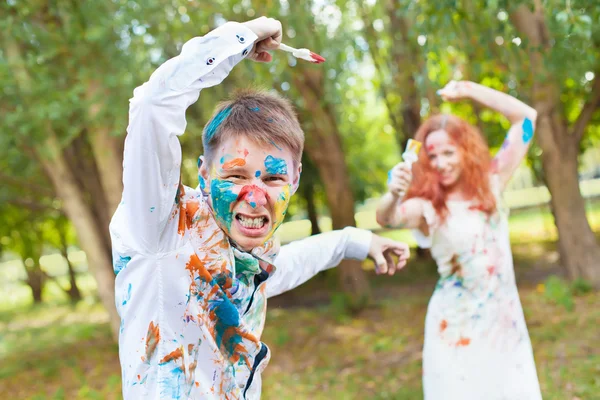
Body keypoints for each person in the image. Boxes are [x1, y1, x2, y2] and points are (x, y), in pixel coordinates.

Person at [110, 17, 410, 400]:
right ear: (204, 173)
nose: (254, 197)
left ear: (295, 180)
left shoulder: (253, 259)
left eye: (271, 179)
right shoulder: (161, 226)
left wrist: (355, 240)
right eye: (235, 176)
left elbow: (287, 267)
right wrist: (243, 35)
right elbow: (152, 106)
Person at [376, 80, 543, 399]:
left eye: (449, 152)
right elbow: (388, 218)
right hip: (454, 331)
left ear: (465, 150)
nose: (441, 164)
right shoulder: (428, 206)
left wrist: (468, 90)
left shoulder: (492, 183)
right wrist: (393, 194)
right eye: (433, 156)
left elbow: (526, 118)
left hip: (504, 327)